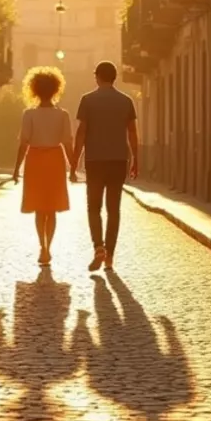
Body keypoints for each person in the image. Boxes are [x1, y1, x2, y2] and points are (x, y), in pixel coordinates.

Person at [71, 61, 139, 272]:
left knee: (94, 207)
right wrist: (136, 159)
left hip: (94, 161)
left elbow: (81, 133)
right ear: (114, 77)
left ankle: (98, 247)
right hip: (119, 160)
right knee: (113, 209)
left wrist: (74, 163)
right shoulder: (126, 101)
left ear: (97, 77)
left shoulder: (87, 100)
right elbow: (132, 133)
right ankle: (110, 255)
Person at [13, 66, 72, 266]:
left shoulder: (28, 114)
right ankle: (49, 246)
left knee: (39, 208)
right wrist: (73, 168)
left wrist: (15, 169)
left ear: (34, 89)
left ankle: (42, 247)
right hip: (55, 160)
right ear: (56, 89)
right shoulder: (63, 115)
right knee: (52, 208)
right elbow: (67, 143)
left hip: (35, 160)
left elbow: (23, 144)